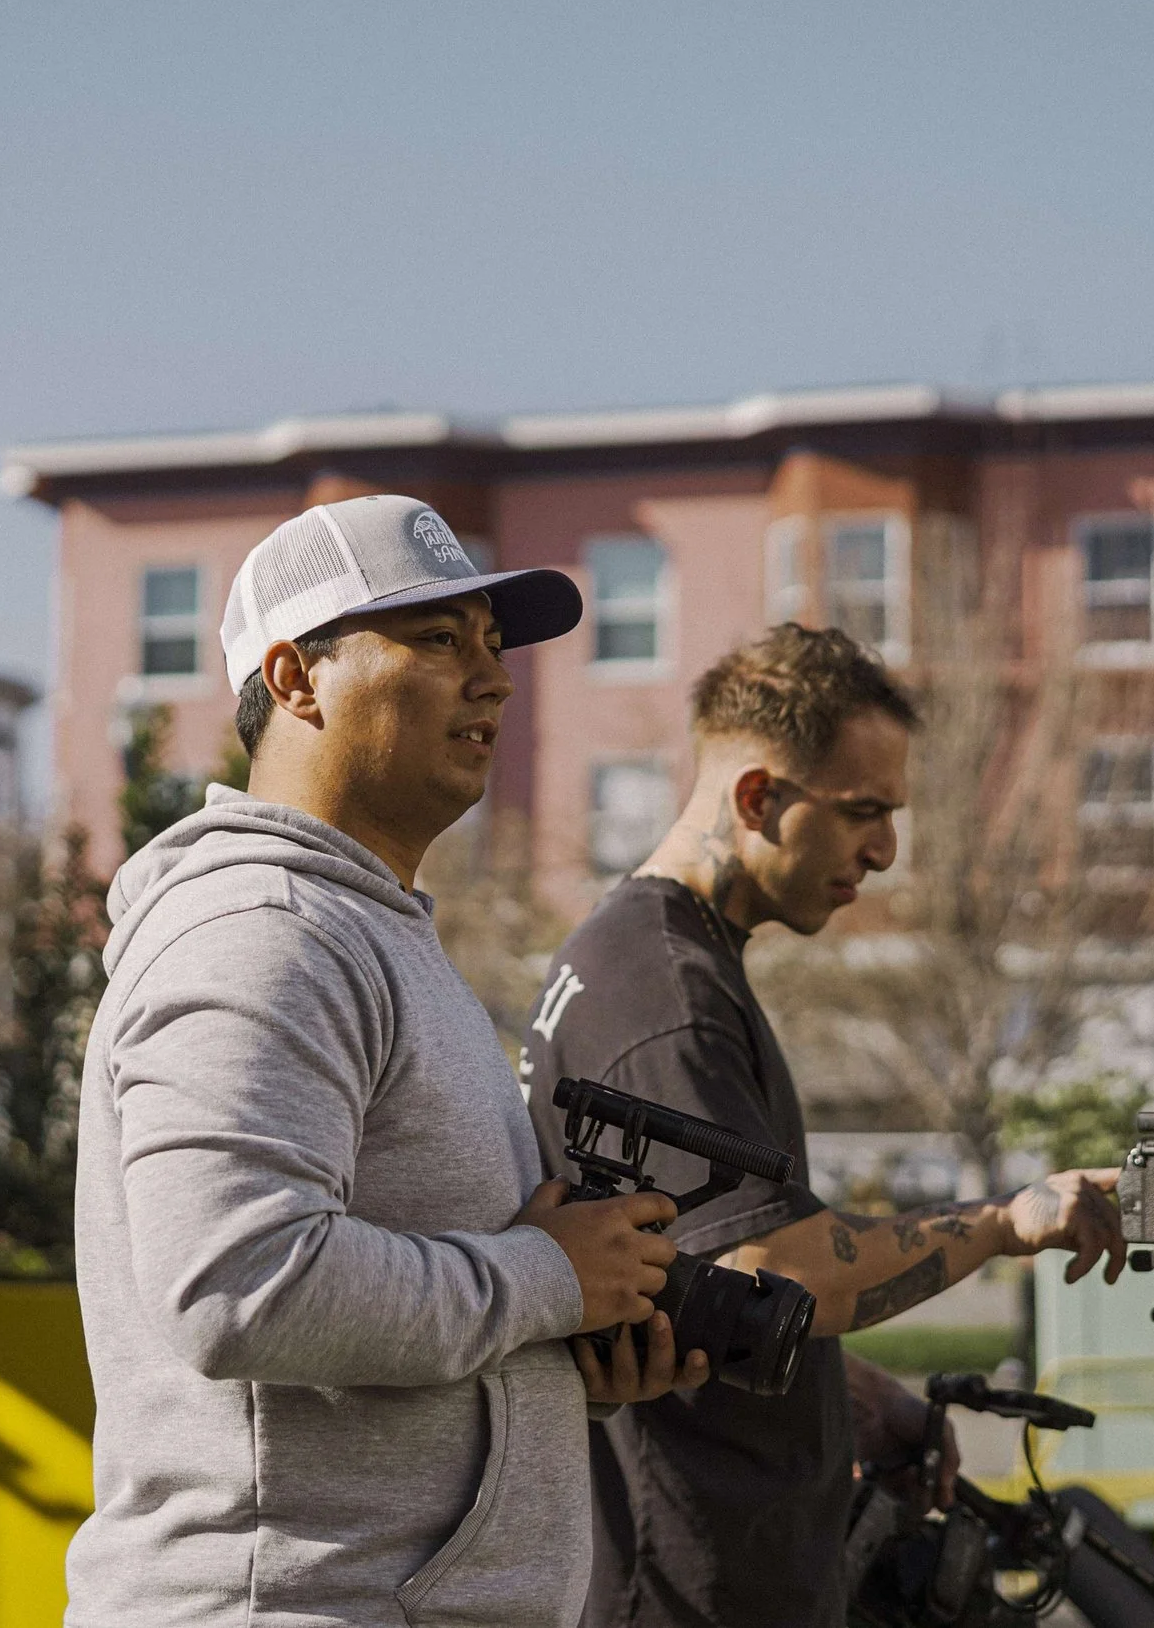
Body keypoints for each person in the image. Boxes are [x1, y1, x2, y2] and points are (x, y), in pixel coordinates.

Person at [66, 494, 711, 1628]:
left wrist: (562, 1353)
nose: (494, 680)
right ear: (295, 679)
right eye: (438, 639)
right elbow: (237, 1285)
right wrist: (546, 1279)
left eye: (494, 646)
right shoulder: (264, 930)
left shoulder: (368, 931)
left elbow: (401, 1312)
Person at [524, 623, 1129, 1628]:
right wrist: (1006, 1222)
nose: (884, 851)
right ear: (758, 797)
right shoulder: (664, 992)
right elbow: (781, 1269)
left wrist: (842, 1388)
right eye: (862, 812)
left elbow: (700, 1279)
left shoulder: (651, 960)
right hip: (688, 1588)